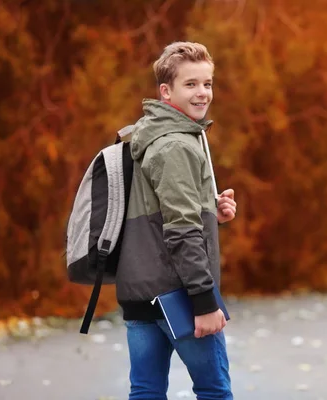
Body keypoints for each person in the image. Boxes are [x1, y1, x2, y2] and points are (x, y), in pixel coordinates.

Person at [116, 41, 236, 400]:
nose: (202, 93)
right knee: (215, 391)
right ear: (166, 91)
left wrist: (210, 208)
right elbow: (181, 231)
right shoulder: (176, 146)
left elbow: (156, 213)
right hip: (179, 295)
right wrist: (204, 301)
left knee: (146, 392)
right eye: (191, 84)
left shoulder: (147, 135)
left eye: (207, 83)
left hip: (140, 293)